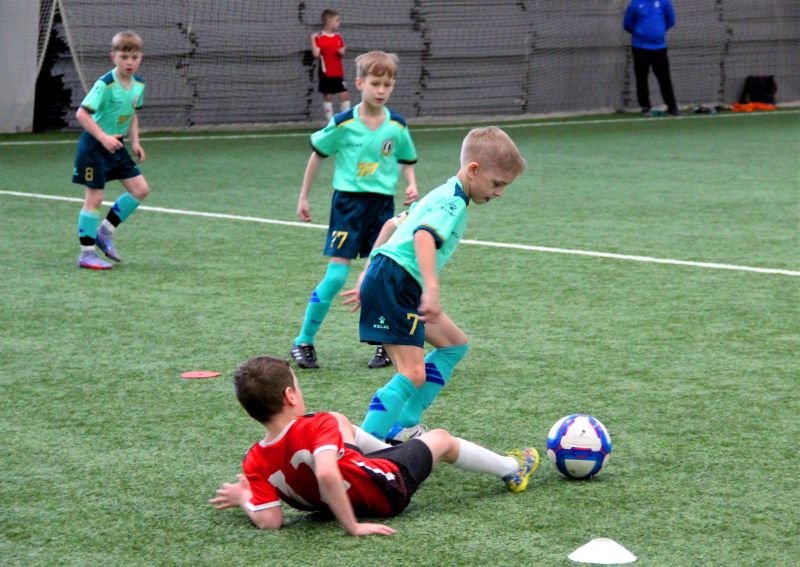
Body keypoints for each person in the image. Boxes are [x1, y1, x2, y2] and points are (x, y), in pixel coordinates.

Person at [209, 355, 539, 536]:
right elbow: (326, 473)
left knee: (343, 424)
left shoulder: (254, 460)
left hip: (343, 492)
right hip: (385, 489)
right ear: (290, 396)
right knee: (441, 439)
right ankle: (513, 469)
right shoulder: (318, 423)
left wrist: (244, 499)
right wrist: (352, 527)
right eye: (298, 385)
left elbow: (270, 521)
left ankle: (392, 450)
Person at [341, 127, 526, 443]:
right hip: (397, 281)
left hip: (391, 277)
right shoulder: (452, 201)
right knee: (412, 372)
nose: (499, 193)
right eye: (497, 184)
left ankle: (404, 424)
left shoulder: (442, 193)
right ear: (473, 169)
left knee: (454, 345)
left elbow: (391, 225)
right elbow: (423, 235)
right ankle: (361, 448)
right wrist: (430, 287)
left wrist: (367, 272)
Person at [290, 51, 419, 370]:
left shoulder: (397, 126)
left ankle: (383, 344)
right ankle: (303, 341)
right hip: (348, 205)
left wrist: (411, 184)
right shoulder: (343, 123)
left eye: (387, 84)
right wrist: (303, 197)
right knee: (336, 276)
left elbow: (405, 159)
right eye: (375, 83)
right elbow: (317, 155)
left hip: (382, 207)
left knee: (380, 277)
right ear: (360, 83)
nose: (381, 90)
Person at [72, 30, 150, 270]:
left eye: (134, 57)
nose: (129, 62)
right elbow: (82, 114)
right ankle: (86, 254)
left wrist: (135, 142)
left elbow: (132, 114)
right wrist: (103, 137)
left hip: (116, 146)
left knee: (140, 190)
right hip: (94, 146)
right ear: (113, 57)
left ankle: (104, 232)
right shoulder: (105, 84)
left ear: (141, 58)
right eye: (124, 57)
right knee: (95, 198)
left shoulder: (138, 85)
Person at [623, 0, 680, 117]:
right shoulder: (635, 3)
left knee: (664, 79)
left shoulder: (664, 2)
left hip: (659, 48)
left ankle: (672, 107)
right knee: (641, 79)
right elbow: (627, 24)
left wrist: (659, 32)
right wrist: (640, 33)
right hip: (640, 48)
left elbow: (671, 20)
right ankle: (645, 106)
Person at [311, 9, 350, 121]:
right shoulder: (319, 37)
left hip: (338, 73)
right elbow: (316, 54)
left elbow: (342, 50)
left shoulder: (338, 36)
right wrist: (312, 39)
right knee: (328, 97)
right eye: (337, 20)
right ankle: (330, 123)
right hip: (326, 73)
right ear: (329, 22)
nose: (339, 23)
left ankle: (344, 121)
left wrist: (342, 51)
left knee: (345, 96)